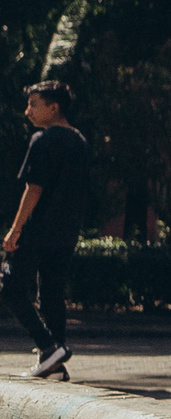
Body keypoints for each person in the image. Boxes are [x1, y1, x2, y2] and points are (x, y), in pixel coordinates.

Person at [4, 79, 89, 381]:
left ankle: (46, 346)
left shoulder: (43, 140)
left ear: (53, 108)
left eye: (33, 104)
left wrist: (15, 230)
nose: (28, 111)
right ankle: (54, 362)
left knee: (11, 288)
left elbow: (33, 189)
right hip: (66, 232)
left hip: (37, 229)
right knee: (52, 292)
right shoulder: (79, 140)